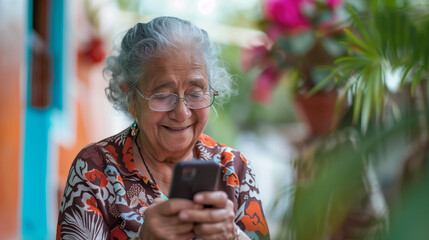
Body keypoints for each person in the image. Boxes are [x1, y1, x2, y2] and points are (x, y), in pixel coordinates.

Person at [57, 16, 270, 240]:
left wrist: (233, 235)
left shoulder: (233, 169)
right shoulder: (96, 168)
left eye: (196, 93)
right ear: (131, 98)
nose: (182, 113)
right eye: (162, 95)